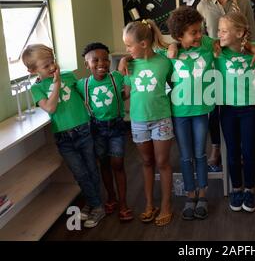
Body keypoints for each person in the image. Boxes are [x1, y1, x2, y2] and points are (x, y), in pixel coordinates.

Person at [22, 44, 104, 228]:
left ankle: (96, 205)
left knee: (91, 168)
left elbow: (84, 93)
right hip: (63, 137)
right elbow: (50, 107)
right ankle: (94, 203)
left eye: (53, 62)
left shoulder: (68, 75)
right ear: (32, 70)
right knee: (79, 173)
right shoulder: (37, 89)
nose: (52, 67)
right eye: (46, 66)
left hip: (83, 129)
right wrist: (56, 83)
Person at [197, 0, 255, 172]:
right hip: (214, 63)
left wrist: (252, 48)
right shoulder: (203, 5)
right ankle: (216, 147)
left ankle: (240, 150)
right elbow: (200, 37)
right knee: (215, 109)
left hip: (238, 64)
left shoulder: (243, 3)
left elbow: (252, 34)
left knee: (239, 105)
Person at [119, 19, 174, 226]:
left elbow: (173, 82)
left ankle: (167, 205)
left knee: (162, 162)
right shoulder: (129, 66)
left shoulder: (164, 62)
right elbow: (126, 94)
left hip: (161, 118)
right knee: (147, 162)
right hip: (139, 121)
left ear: (143, 44)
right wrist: (121, 63)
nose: (127, 49)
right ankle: (150, 204)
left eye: (128, 45)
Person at [164, 6, 217, 220]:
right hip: (180, 111)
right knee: (185, 156)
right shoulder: (171, 51)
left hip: (201, 110)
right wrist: (124, 60)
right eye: (193, 32)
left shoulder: (208, 44)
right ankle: (189, 194)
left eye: (200, 30)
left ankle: (202, 194)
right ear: (179, 36)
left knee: (200, 153)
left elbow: (232, 41)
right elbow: (148, 54)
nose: (199, 35)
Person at [77, 42, 133, 222]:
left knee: (118, 163)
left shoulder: (116, 77)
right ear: (87, 65)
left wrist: (124, 59)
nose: (102, 63)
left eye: (105, 59)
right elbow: (62, 83)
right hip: (97, 129)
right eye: (95, 60)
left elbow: (125, 92)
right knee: (104, 164)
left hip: (116, 126)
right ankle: (111, 197)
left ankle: (124, 203)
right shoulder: (82, 85)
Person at [215, 11, 255, 212]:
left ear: (240, 32)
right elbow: (187, 41)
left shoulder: (254, 53)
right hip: (227, 110)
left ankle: (250, 189)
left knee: (249, 152)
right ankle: (237, 188)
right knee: (233, 152)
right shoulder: (217, 52)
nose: (219, 34)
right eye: (219, 30)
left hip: (250, 109)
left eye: (224, 31)